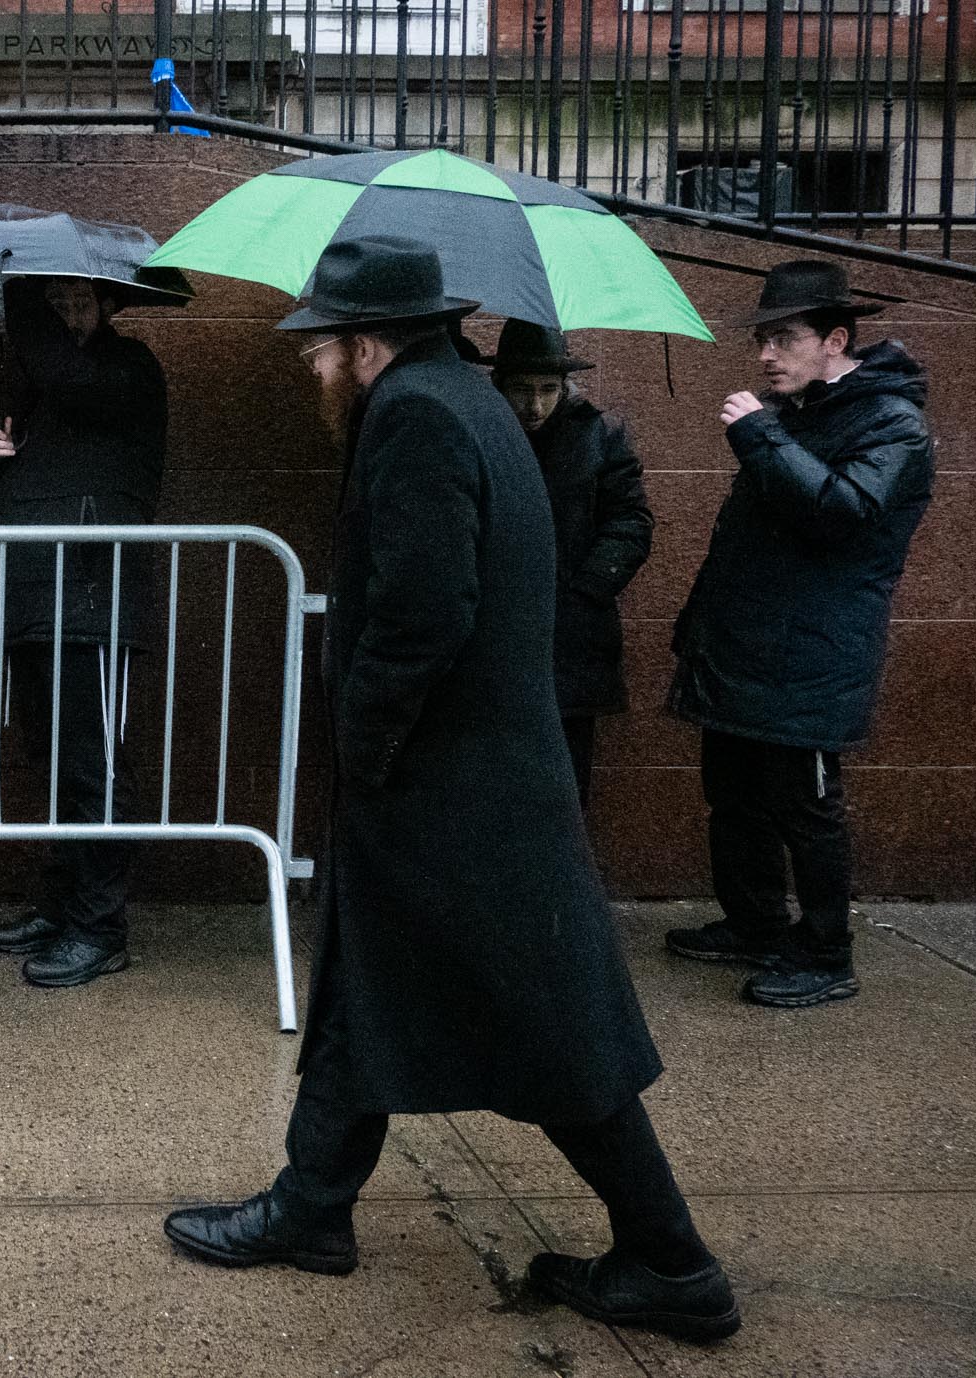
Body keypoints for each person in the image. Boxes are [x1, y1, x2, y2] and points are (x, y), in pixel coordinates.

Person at [162, 237, 738, 1344]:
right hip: (465, 779)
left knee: (547, 1028)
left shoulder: (417, 416)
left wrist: (365, 745)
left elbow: (424, 613)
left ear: (366, 345)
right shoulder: (459, 399)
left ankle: (673, 1261)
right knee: (364, 987)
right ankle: (312, 1207)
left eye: (319, 348)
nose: (311, 367)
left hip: (453, 789)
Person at [663, 260, 936, 1009]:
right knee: (736, 798)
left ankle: (825, 953)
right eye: (763, 339)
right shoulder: (796, 414)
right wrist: (699, 629)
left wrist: (759, 436)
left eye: (783, 338)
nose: (766, 355)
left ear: (835, 340)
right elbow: (746, 540)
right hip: (743, 648)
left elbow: (841, 513)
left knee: (806, 809)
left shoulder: (891, 424)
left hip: (814, 654)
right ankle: (755, 924)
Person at [0, 277, 167, 988]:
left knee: (94, 767)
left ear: (110, 305)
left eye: (75, 302)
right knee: (55, 763)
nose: (62, 318)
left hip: (92, 598)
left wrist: (20, 299)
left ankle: (99, 928)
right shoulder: (41, 386)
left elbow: (72, 379)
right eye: (52, 305)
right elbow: (4, 493)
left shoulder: (127, 366)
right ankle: (62, 908)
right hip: (35, 597)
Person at [486, 321, 654, 806]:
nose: (535, 405)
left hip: (572, 638)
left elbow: (630, 521)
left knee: (565, 782)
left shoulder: (597, 434)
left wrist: (586, 590)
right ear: (501, 385)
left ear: (564, 386)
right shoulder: (481, 429)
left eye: (548, 389)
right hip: (495, 628)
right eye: (522, 390)